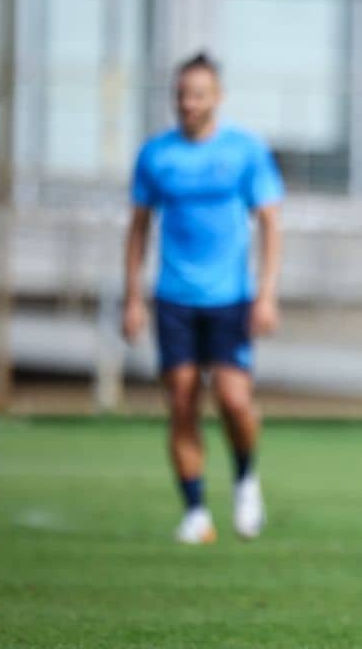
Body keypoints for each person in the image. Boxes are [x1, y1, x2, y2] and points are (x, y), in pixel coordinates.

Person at [122, 52, 284, 545]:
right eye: (181, 95)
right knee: (183, 401)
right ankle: (195, 511)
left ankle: (245, 479)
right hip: (173, 298)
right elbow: (138, 230)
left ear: (217, 98)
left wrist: (266, 294)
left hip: (230, 299)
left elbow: (271, 222)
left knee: (234, 400)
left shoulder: (245, 151)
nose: (188, 104)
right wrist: (132, 298)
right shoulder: (156, 155)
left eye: (197, 94)